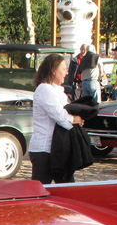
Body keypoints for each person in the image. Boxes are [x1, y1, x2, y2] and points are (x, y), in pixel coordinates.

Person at [30, 53, 81, 184]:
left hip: (59, 148)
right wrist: (76, 119)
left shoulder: (57, 90)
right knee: (41, 189)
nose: (66, 72)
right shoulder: (45, 89)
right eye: (63, 69)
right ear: (53, 70)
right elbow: (60, 116)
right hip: (44, 149)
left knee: (67, 188)